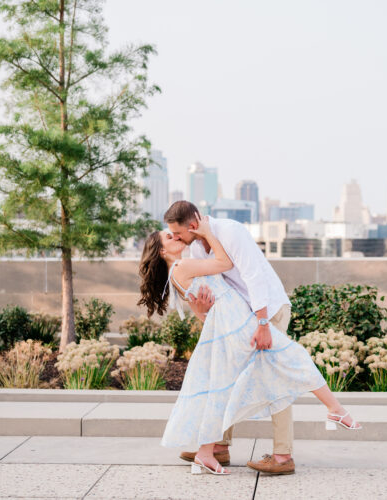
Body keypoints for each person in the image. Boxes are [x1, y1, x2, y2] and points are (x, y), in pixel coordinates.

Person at [138, 204, 360, 476]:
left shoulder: (228, 232)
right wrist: (207, 238)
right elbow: (218, 277)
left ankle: (222, 451)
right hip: (237, 323)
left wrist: (263, 322)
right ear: (163, 251)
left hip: (260, 311)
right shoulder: (189, 257)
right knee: (286, 362)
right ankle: (334, 410)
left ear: (192, 224)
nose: (176, 237)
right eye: (170, 236)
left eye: (176, 233)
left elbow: (249, 277)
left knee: (231, 384)